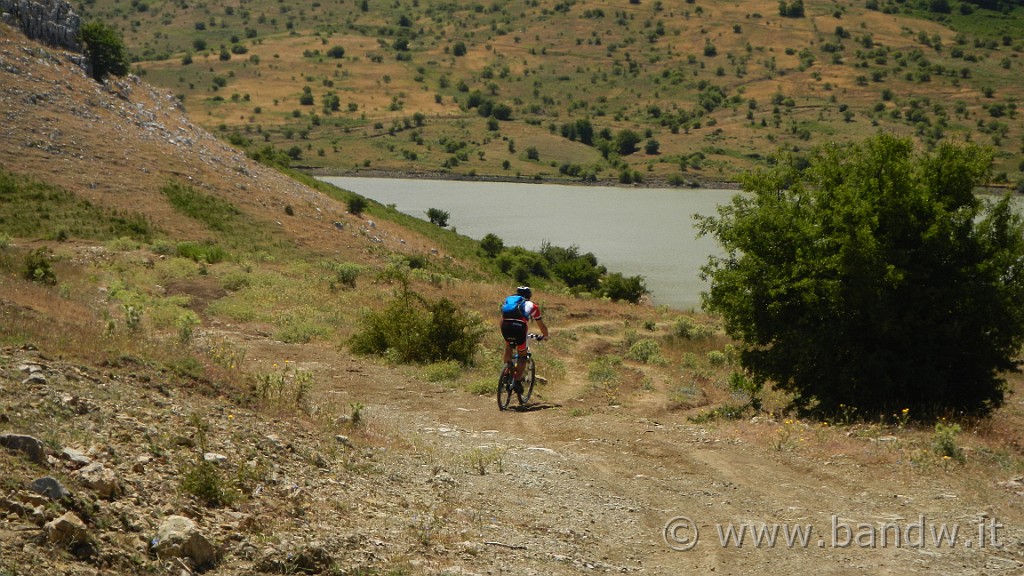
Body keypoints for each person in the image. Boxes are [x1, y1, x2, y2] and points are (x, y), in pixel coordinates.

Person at [500, 286, 549, 392]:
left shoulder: (509, 300)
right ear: (529, 296)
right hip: (519, 327)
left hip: (505, 325)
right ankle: (517, 382)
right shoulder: (533, 306)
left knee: (509, 346)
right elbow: (541, 325)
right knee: (522, 356)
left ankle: (506, 374)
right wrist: (545, 335)